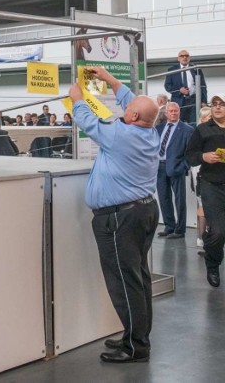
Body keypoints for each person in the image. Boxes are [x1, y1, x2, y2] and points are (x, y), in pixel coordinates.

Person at [70, 66, 159, 364]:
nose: (126, 107)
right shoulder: (149, 129)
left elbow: (86, 119)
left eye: (129, 109)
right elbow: (132, 100)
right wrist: (108, 79)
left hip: (120, 219)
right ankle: (136, 336)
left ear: (133, 117)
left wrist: (76, 98)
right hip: (143, 211)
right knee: (138, 279)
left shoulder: (120, 135)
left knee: (124, 282)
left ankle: (135, 346)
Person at [185, 94, 225, 287]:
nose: (218, 108)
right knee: (217, 232)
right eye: (214, 104)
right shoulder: (202, 130)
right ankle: (213, 264)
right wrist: (203, 156)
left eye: (222, 104)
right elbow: (190, 156)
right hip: (212, 185)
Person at [156, 102, 194, 240]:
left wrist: (184, 166)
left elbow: (190, 152)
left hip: (176, 168)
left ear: (179, 112)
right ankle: (169, 226)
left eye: (176, 111)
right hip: (159, 168)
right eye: (170, 111)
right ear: (166, 113)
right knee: (164, 198)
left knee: (179, 200)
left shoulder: (186, 129)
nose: (173, 113)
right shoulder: (159, 128)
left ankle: (180, 230)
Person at [164, 50, 208, 125]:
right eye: (182, 56)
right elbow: (167, 86)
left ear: (189, 58)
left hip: (193, 100)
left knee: (194, 123)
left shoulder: (196, 69)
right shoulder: (172, 70)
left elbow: (203, 86)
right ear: (178, 58)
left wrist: (204, 101)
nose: (184, 57)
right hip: (179, 101)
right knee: (178, 124)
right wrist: (179, 90)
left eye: (186, 56)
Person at [192, 107, 212, 250]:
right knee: (202, 206)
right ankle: (202, 237)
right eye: (207, 117)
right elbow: (192, 156)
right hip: (201, 174)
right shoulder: (198, 133)